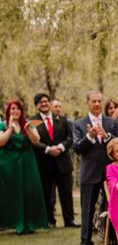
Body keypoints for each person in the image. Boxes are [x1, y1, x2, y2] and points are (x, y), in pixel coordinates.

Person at [73, 90, 118, 245]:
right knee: (87, 207)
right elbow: (77, 148)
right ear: (87, 102)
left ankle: (114, 240)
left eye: (99, 101)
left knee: (113, 205)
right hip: (90, 171)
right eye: (93, 101)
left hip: (110, 171)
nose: (97, 104)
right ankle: (85, 241)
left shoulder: (111, 123)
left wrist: (106, 136)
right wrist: (90, 136)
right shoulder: (79, 124)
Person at [30, 93, 78, 228]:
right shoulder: (32, 121)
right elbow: (33, 141)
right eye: (40, 102)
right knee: (46, 193)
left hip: (62, 161)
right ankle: (50, 220)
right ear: (36, 106)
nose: (44, 104)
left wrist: (61, 147)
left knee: (66, 193)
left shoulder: (62, 119)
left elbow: (70, 137)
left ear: (49, 103)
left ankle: (69, 220)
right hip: (44, 163)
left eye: (46, 101)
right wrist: (47, 149)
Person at [0, 100, 48, 234]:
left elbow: (36, 140)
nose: (15, 111)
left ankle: (30, 223)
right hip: (8, 164)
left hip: (28, 162)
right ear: (8, 111)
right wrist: (10, 127)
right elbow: (1, 142)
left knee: (30, 190)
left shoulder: (28, 124)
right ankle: (12, 223)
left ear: (22, 111)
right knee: (10, 192)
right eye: (12, 109)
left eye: (18, 109)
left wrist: (27, 129)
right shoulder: (2, 124)